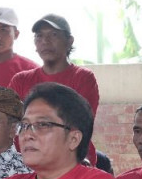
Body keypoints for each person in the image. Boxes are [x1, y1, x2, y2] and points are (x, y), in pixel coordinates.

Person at [10, 15, 99, 164]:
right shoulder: (20, 80)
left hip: (73, 159)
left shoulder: (83, 77)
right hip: (27, 160)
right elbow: (11, 124)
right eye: (39, 36)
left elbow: (79, 123)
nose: (45, 41)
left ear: (69, 41)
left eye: (54, 35)